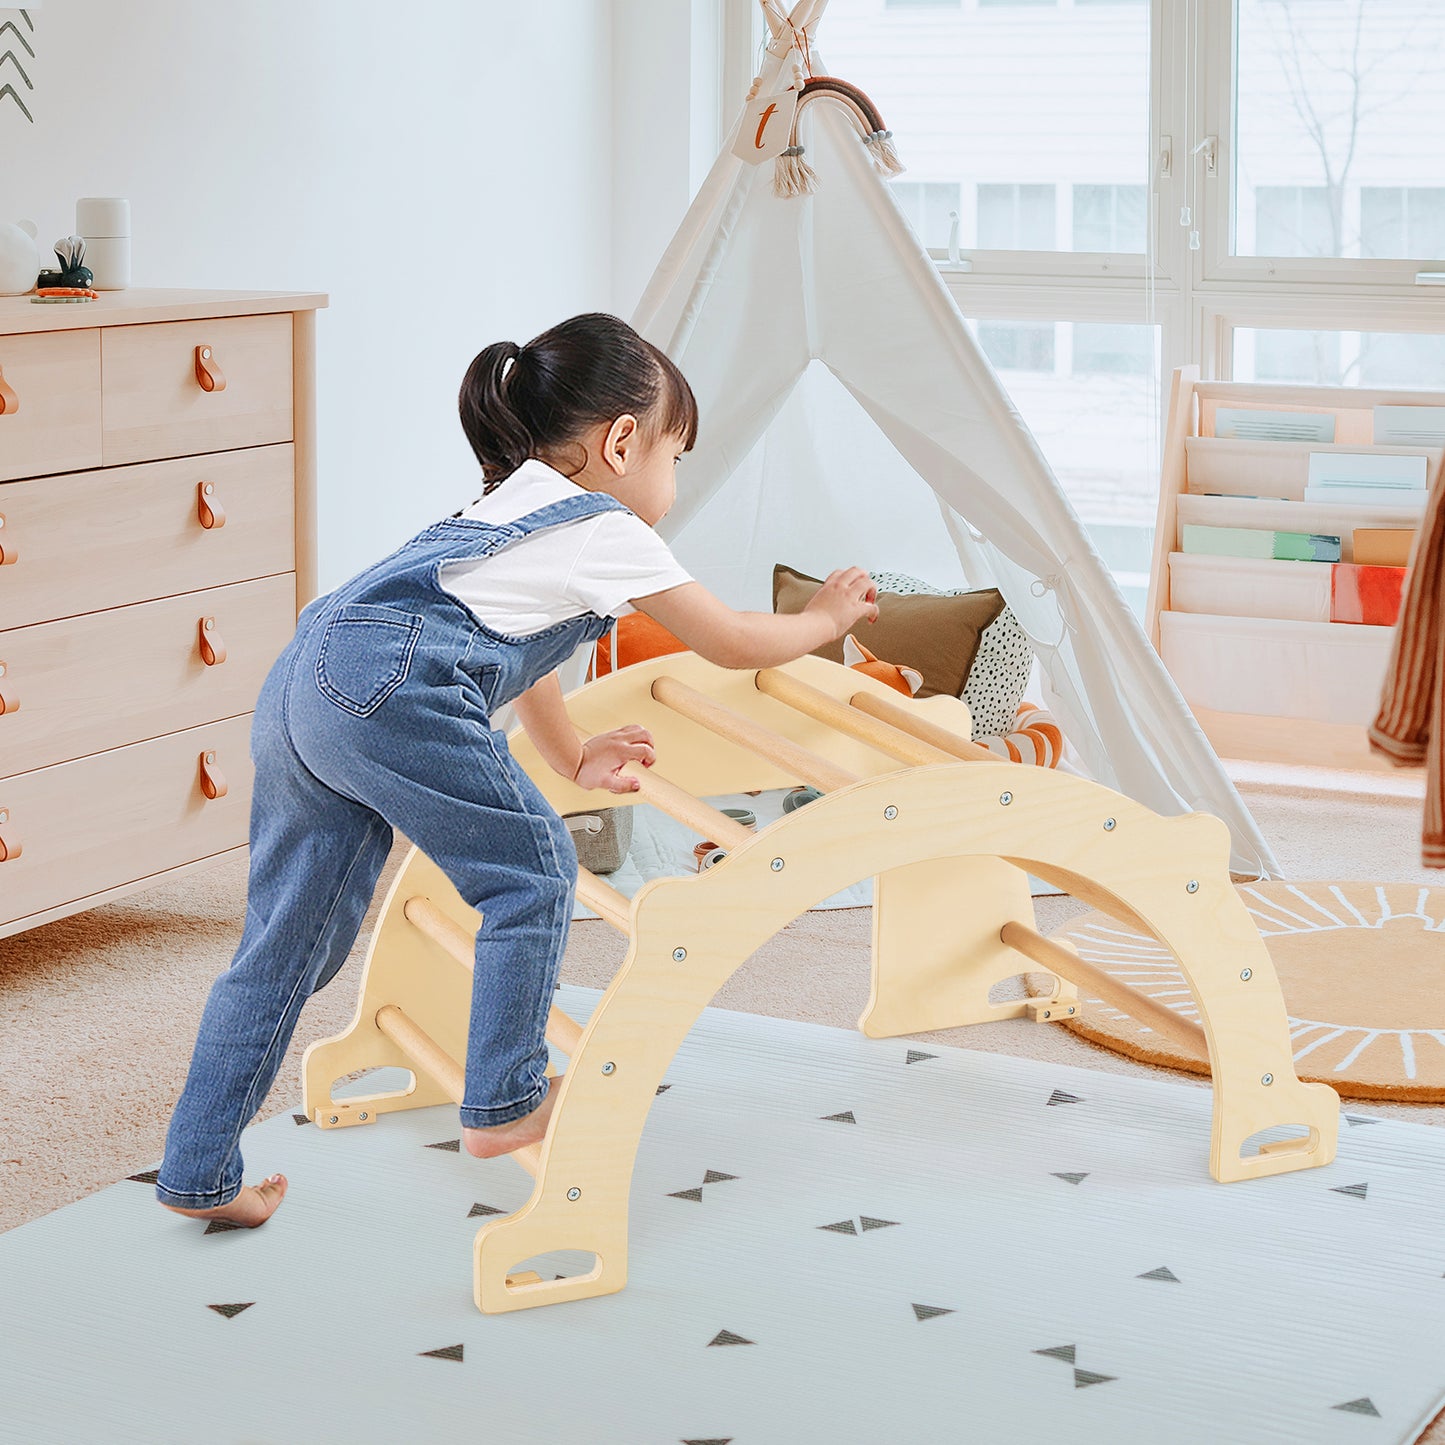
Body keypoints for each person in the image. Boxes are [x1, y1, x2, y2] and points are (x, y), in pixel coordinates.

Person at [154, 312, 879, 1228]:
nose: (672, 480)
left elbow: (520, 651)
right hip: (391, 685)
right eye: (675, 455)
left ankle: (199, 1170)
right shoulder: (607, 528)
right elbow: (732, 640)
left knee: (285, 946)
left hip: (308, 675)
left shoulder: (502, 505)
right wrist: (822, 621)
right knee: (531, 871)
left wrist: (573, 752)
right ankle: (504, 1100)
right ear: (623, 442)